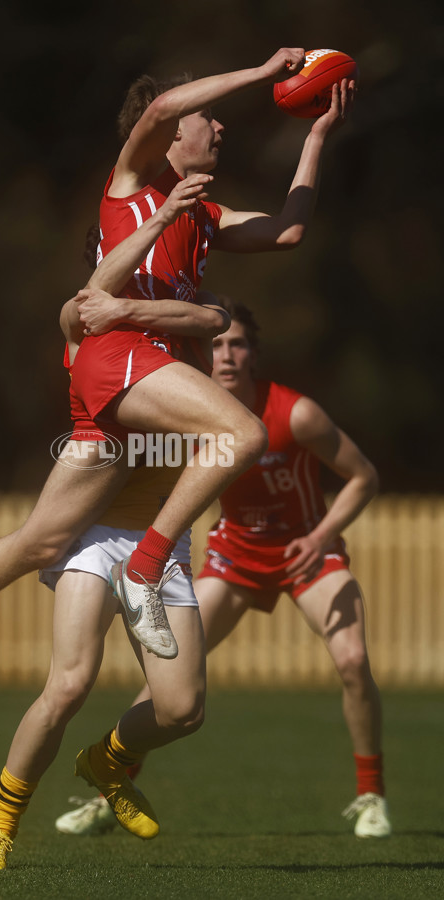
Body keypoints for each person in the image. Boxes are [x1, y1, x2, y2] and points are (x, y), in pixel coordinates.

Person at [0, 48, 353, 724]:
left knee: (38, 541)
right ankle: (146, 566)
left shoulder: (204, 217)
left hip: (141, 386)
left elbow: (291, 229)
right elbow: (159, 108)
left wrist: (317, 136)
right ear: (173, 130)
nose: (220, 128)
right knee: (241, 431)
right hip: (121, 359)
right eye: (207, 118)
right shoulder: (133, 182)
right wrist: (264, 74)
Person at [54, 298, 392, 840]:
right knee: (168, 671)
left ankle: (371, 794)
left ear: (254, 356)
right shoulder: (185, 414)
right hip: (235, 555)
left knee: (353, 660)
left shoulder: (294, 414)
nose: (227, 354)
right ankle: (109, 787)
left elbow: (364, 477)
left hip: (307, 553)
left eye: (238, 344)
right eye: (217, 344)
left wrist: (320, 536)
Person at [0, 272, 226, 872]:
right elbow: (77, 310)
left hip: (162, 547)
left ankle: (106, 761)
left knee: (181, 710)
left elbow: (212, 318)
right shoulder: (97, 336)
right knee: (69, 684)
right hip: (97, 537)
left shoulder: (189, 363)